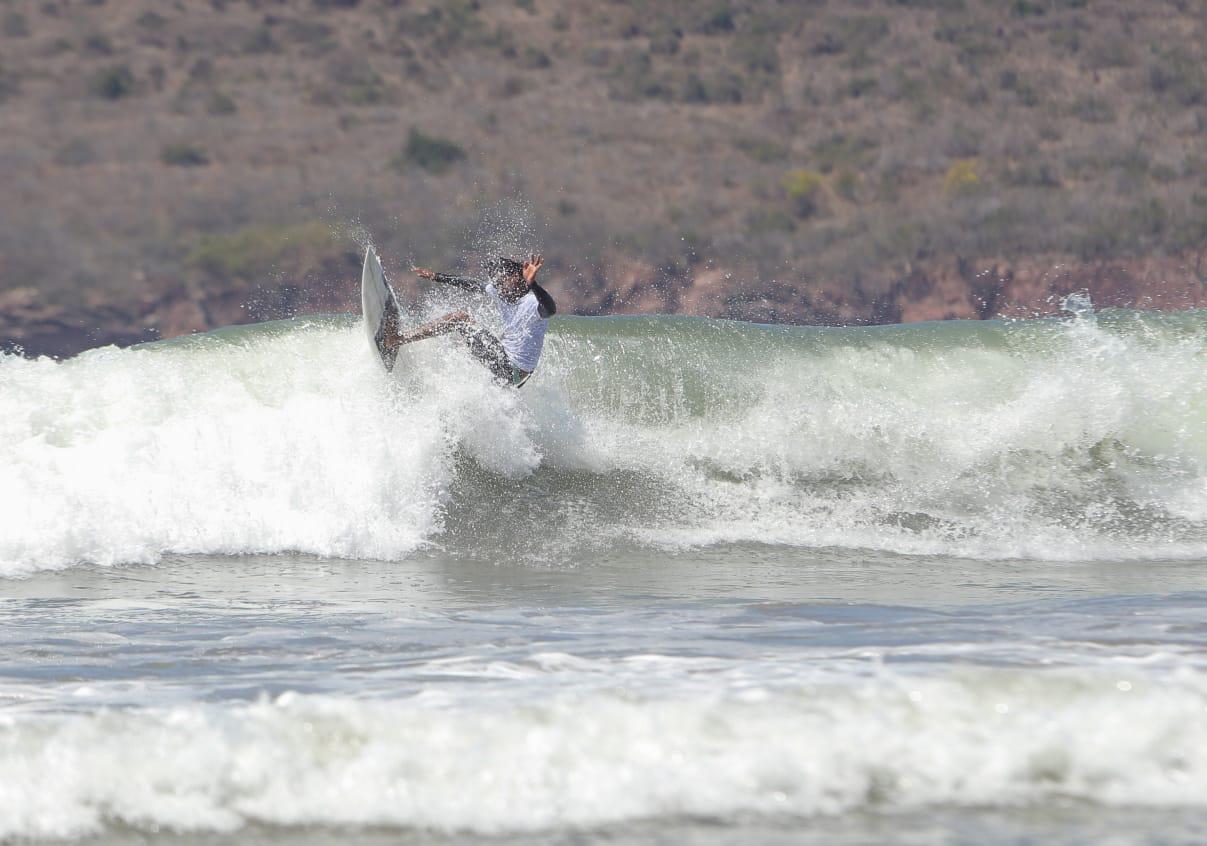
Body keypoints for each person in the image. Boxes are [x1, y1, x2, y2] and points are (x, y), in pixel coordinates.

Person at [385, 253, 556, 387]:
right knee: (459, 342)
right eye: (496, 282)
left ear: (518, 278)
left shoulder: (532, 303)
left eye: (502, 281)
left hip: (513, 371)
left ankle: (397, 339)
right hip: (508, 372)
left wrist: (533, 284)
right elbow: (472, 284)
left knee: (460, 319)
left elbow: (550, 309)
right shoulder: (502, 293)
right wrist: (436, 276)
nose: (498, 286)